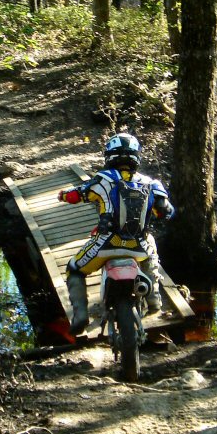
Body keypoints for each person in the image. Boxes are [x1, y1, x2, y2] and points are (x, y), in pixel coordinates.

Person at [58, 133, 175, 336]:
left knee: (74, 269)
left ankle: (80, 317)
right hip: (139, 247)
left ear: (109, 156)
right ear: (137, 157)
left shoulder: (103, 180)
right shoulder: (152, 184)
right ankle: (154, 299)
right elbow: (166, 211)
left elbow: (78, 194)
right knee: (151, 247)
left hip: (106, 243)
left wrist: (64, 195)